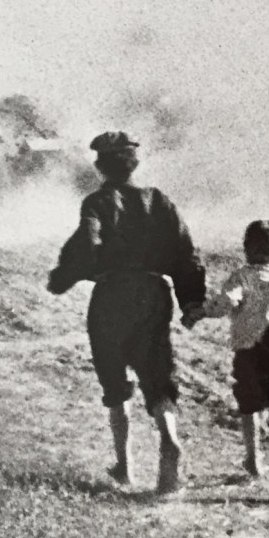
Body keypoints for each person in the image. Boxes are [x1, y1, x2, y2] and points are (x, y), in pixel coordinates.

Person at [47, 132, 207, 494]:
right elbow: (186, 252)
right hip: (153, 292)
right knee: (158, 373)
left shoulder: (97, 202)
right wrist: (191, 301)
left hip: (112, 293)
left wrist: (63, 278)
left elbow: (86, 244)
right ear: (134, 164)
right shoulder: (158, 200)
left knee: (114, 378)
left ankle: (124, 466)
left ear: (100, 167)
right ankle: (169, 437)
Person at [198, 220, 269, 497]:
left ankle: (253, 459)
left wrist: (206, 310)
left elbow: (228, 301)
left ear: (246, 247)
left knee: (249, 404)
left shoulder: (241, 277)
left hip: (249, 348)